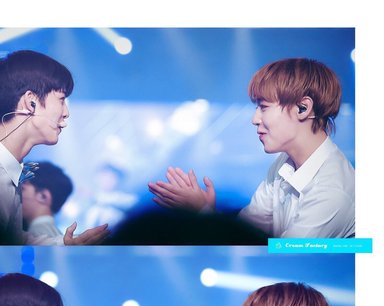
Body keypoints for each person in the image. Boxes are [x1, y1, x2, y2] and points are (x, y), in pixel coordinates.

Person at [148, 58, 355, 239]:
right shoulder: (285, 165)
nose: (255, 119)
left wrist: (205, 214)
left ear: (303, 108)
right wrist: (206, 211)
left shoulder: (331, 190)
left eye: (263, 107)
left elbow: (283, 259)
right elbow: (248, 234)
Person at [0, 49, 109, 245]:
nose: (66, 112)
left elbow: (9, 239)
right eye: (61, 100)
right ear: (30, 101)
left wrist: (66, 244)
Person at [21, 161, 73, 237]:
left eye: (22, 189)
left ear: (43, 196)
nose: (15, 194)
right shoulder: (55, 234)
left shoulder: (36, 234)